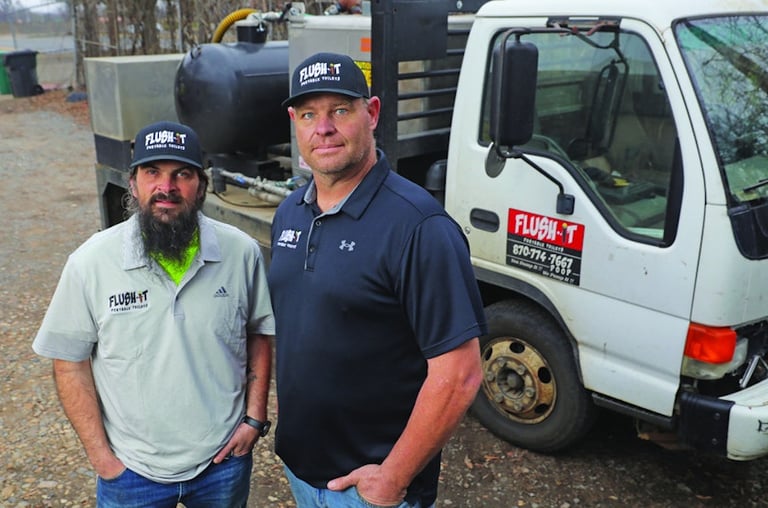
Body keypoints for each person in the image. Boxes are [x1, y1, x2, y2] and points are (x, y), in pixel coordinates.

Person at [268, 52, 488, 507]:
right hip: (301, 469)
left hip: (372, 489)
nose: (323, 128)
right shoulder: (290, 212)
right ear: (294, 123)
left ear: (371, 113)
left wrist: (393, 477)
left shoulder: (419, 227)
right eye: (308, 114)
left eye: (339, 111)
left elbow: (460, 374)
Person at [32, 120, 275, 507]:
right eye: (152, 172)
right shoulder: (91, 263)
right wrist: (103, 459)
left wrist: (253, 420)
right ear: (133, 184)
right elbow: (69, 363)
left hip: (223, 461)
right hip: (131, 471)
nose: (167, 187)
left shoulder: (240, 253)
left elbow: (258, 333)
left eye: (182, 174)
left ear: (202, 185)